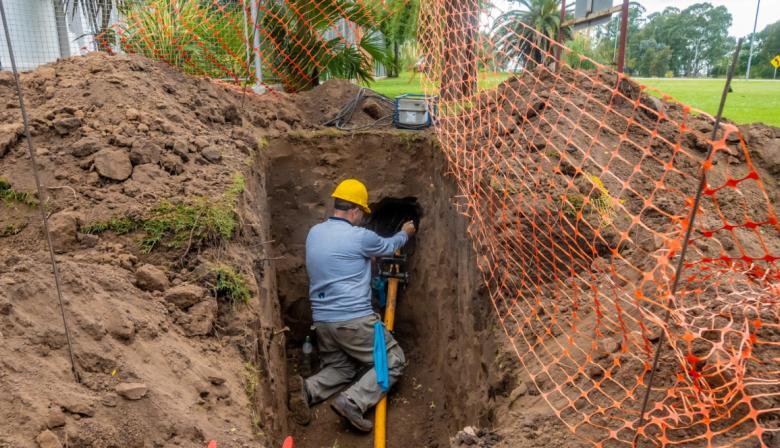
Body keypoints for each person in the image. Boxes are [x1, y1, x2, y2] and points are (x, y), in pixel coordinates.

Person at [289, 178, 415, 432]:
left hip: (322, 322)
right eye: (362, 213)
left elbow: (338, 260)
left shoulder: (315, 233)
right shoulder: (361, 237)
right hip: (353, 320)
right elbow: (389, 246)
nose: (362, 218)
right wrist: (405, 233)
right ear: (355, 211)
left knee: (342, 368)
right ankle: (353, 401)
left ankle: (308, 389)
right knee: (393, 359)